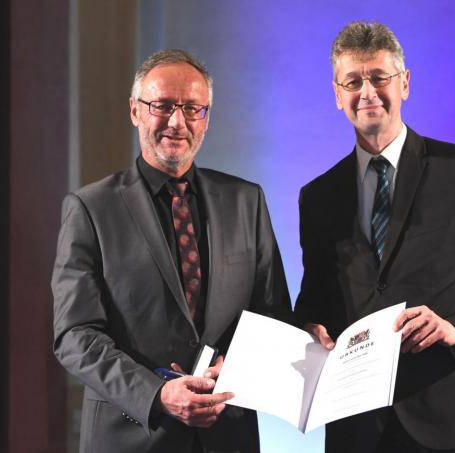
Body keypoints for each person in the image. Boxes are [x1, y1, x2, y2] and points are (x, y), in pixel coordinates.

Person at [294, 22, 455, 453]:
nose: (367, 92)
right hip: (358, 428)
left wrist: (454, 328)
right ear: (337, 94)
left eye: (379, 78)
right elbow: (315, 299)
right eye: (353, 82)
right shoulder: (317, 196)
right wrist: (309, 328)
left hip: (453, 421)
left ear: (404, 83)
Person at [52, 49, 292, 453]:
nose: (177, 122)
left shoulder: (246, 201)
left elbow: (273, 316)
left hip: (227, 436)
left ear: (206, 118)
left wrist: (237, 366)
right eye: (162, 106)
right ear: (135, 111)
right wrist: (157, 394)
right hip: (131, 438)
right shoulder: (91, 208)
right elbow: (75, 335)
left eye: (193, 108)